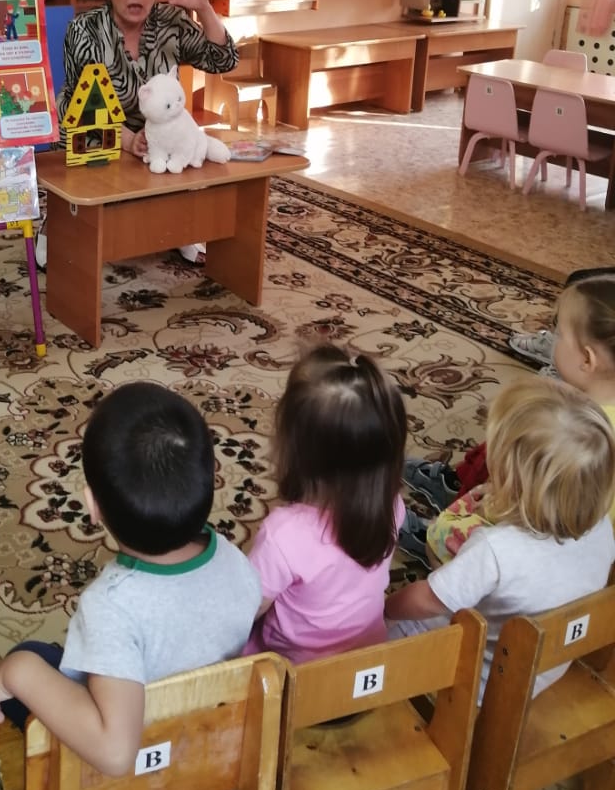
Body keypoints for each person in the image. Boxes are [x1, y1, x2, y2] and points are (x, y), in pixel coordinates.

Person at [0, 381, 261, 776]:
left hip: (146, 765)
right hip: (211, 731)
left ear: (92, 506)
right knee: (44, 657)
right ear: (215, 478)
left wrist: (17, 671)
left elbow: (115, 753)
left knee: (27, 659)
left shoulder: (111, 605)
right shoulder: (235, 560)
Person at [386, 377, 615, 702]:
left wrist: (384, 608)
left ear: (511, 480)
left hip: (479, 683)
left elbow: (426, 600)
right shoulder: (602, 529)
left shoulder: (495, 549)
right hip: (542, 669)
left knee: (378, 632)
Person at [38, 0, 238, 268]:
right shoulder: (85, 29)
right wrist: (129, 140)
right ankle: (58, 219)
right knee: (74, 135)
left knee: (181, 139)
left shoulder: (171, 21)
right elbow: (84, 101)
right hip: (94, 120)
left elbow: (223, 60)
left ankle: (179, 225)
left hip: (157, 122)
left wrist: (204, 8)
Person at [401, 270, 615, 565]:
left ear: (587, 359)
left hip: (541, 542)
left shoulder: (573, 426)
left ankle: (441, 547)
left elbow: (530, 510)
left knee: (515, 444)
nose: (552, 340)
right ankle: (456, 484)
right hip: (581, 536)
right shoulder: (587, 409)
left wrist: (485, 507)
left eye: (559, 334)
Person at [243, 345, 408, 664]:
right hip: (366, 660)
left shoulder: (283, 534)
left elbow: (248, 607)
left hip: (296, 672)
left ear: (293, 449)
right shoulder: (392, 505)